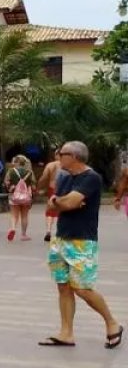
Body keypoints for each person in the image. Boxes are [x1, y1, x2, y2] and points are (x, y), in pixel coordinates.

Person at [39, 141, 123, 349]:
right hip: (60, 239)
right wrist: (62, 201)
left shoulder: (91, 178)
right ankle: (66, 333)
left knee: (83, 289)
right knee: (63, 287)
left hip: (82, 241)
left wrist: (62, 202)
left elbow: (67, 203)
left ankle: (113, 324)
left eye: (62, 153)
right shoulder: (64, 176)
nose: (58, 155)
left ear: (74, 156)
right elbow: (56, 202)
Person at [4, 154, 35, 242]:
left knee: (14, 215)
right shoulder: (29, 171)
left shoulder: (11, 171)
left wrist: (10, 187)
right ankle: (23, 235)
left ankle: (13, 228)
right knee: (24, 216)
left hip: (14, 195)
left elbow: (6, 182)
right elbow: (33, 184)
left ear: (16, 162)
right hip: (26, 196)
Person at [38, 150, 64, 242]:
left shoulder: (50, 165)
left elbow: (44, 178)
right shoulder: (67, 166)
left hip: (52, 189)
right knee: (62, 211)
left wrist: (40, 188)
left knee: (50, 211)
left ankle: (48, 230)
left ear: (56, 155)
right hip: (63, 190)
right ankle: (59, 232)